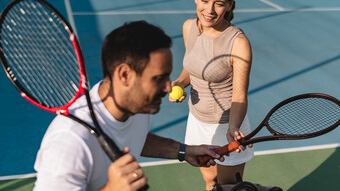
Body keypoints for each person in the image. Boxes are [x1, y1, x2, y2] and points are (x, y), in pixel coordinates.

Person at [33, 21, 225, 191]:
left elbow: (134, 136)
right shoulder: (69, 142)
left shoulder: (137, 108)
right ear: (124, 75)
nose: (168, 87)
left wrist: (184, 151)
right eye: (158, 78)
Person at [169, 0, 254, 190]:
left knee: (228, 186)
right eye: (204, 0)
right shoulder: (189, 27)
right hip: (197, 121)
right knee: (209, 181)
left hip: (228, 124)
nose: (209, 10)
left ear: (230, 5)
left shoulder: (238, 43)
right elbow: (190, 68)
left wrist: (233, 127)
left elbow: (239, 95)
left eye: (219, 3)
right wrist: (179, 83)